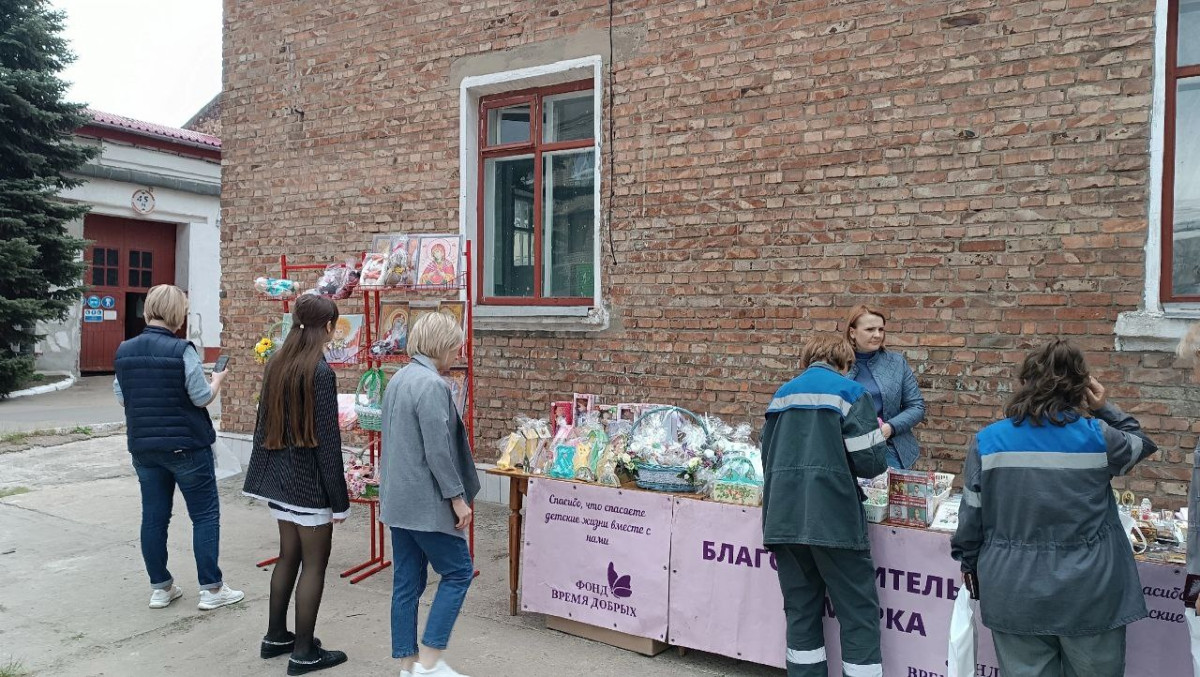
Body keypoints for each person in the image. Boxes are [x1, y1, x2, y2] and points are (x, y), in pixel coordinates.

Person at [951, 339, 1158, 677]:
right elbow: (1140, 444)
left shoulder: (988, 441)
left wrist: (969, 563)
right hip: (1090, 592)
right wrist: (1105, 408)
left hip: (1013, 588)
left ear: (1025, 384)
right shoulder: (1098, 436)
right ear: (1081, 388)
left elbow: (972, 515)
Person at [761, 334, 889, 677]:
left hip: (783, 518)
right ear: (846, 363)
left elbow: (767, 456)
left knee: (801, 612)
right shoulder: (850, 392)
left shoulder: (781, 396)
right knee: (857, 614)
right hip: (834, 519)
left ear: (806, 360)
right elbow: (871, 463)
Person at [112, 284, 244, 611]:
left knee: (154, 517)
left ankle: (161, 587)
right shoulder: (182, 350)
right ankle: (212, 590)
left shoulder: (125, 350)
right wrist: (217, 379)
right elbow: (200, 397)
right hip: (186, 447)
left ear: (149, 309)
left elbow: (121, 396)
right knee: (204, 515)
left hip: (143, 447)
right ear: (178, 314)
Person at [242, 295, 350, 675]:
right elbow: (327, 444)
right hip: (309, 487)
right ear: (328, 327)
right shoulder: (320, 372)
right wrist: (340, 501)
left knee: (289, 556)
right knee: (315, 565)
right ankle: (303, 651)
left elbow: (261, 428)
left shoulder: (277, 363)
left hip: (280, 484)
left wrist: (259, 480)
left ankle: (275, 637)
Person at [380, 311, 479, 677]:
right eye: (455, 345)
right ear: (442, 345)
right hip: (425, 502)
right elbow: (438, 449)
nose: (458, 352)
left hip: (398, 500)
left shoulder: (400, 379)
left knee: (406, 583)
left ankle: (408, 666)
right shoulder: (433, 385)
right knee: (458, 572)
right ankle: (431, 661)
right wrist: (457, 496)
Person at [843, 305, 926, 469]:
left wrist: (890, 428)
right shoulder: (837, 363)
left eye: (881, 329)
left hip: (889, 449)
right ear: (852, 332)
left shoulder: (896, 363)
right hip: (844, 451)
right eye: (870, 329)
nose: (877, 335)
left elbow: (916, 406)